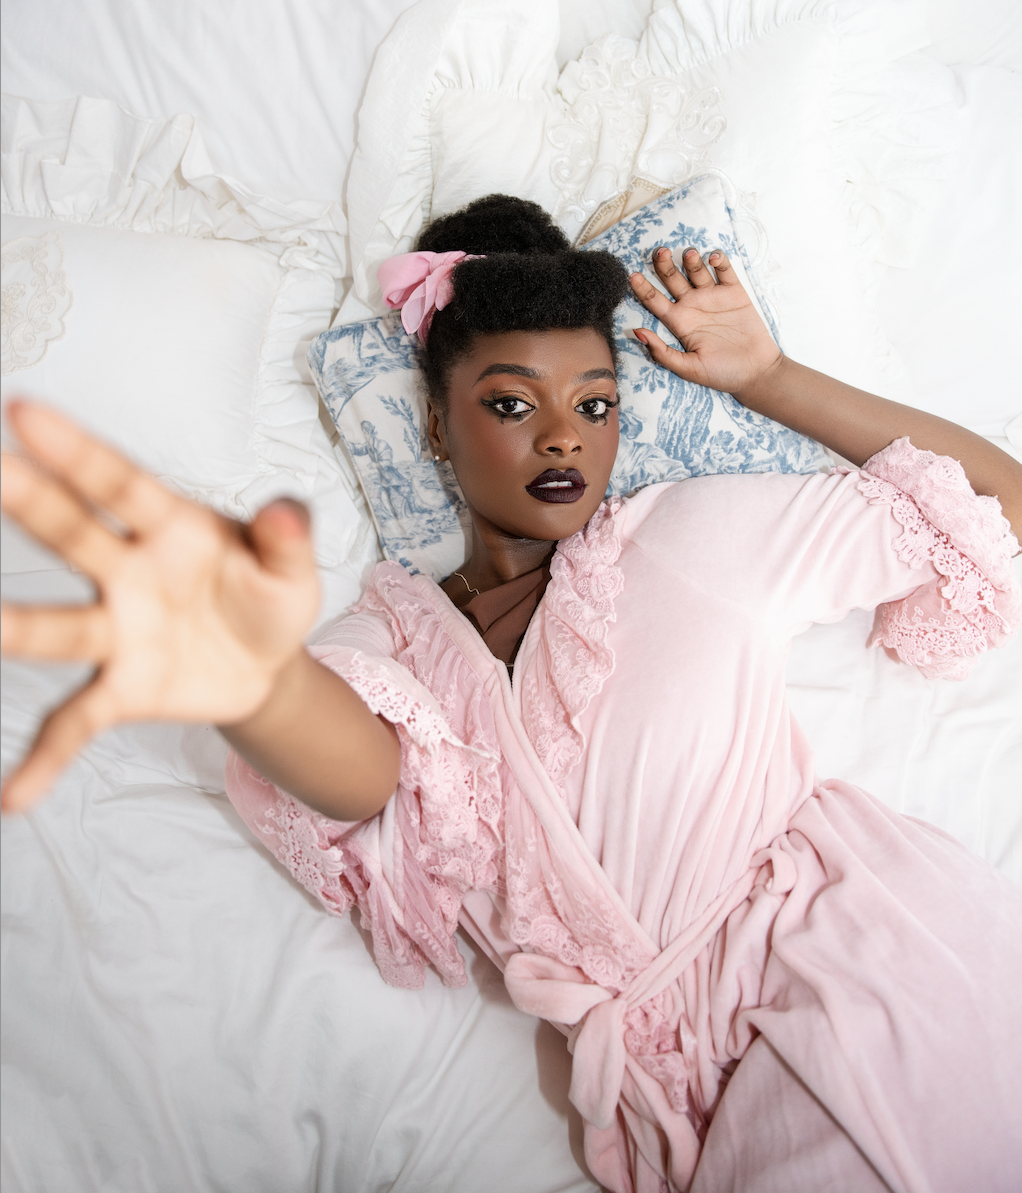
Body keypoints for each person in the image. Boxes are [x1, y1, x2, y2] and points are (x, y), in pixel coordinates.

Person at [2, 195, 1021, 1193]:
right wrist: (247, 679)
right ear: (436, 429)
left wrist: (771, 377)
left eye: (593, 403)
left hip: (849, 958)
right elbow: (364, 773)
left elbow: (996, 507)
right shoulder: (395, 635)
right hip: (668, 1095)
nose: (562, 437)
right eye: (507, 402)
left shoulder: (688, 536)